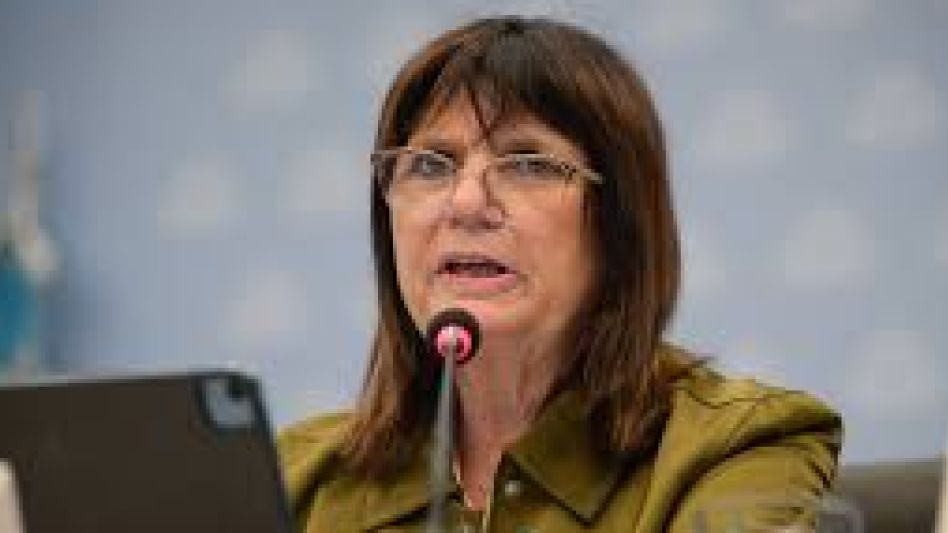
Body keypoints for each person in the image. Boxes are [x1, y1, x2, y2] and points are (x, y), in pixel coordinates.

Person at [278, 16, 842, 532]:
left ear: (620, 224)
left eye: (528, 163)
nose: (466, 203)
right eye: (429, 164)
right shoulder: (295, 479)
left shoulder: (736, 449)